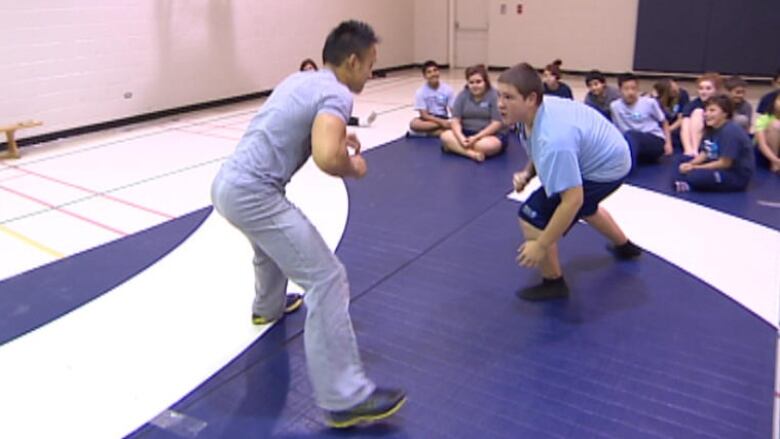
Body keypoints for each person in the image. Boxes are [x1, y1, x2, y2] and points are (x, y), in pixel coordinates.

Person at [211, 20, 405, 428]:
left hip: (228, 184)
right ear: (351, 61)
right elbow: (325, 157)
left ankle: (267, 309)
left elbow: (304, 126)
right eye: (370, 63)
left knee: (269, 246)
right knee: (327, 278)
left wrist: (341, 135)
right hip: (254, 192)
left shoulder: (301, 81)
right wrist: (352, 165)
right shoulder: (337, 93)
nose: (372, 72)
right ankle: (345, 397)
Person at [497, 63, 641, 302]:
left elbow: (572, 200)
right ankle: (626, 247)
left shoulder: (554, 139)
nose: (500, 104)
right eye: (499, 95)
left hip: (606, 168)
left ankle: (553, 282)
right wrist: (527, 173)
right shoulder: (532, 113)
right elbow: (537, 149)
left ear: (531, 98)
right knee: (588, 207)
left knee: (532, 217)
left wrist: (541, 245)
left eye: (509, 97)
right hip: (610, 154)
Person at [674, 95, 755, 191]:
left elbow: (725, 163)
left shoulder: (730, 131)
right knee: (680, 161)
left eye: (712, 110)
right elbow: (705, 152)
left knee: (696, 176)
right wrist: (690, 163)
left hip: (734, 174)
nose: (706, 114)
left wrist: (695, 167)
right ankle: (686, 181)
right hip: (717, 165)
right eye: (706, 110)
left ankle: (689, 183)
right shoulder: (711, 128)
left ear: (725, 113)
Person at [439, 64, 506, 162]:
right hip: (466, 133)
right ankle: (471, 154)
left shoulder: (494, 95)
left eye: (478, 82)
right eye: (471, 82)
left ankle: (455, 148)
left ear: (485, 82)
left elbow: (496, 123)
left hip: (489, 136)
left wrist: (476, 137)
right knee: (445, 136)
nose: (475, 85)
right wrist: (460, 137)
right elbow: (455, 120)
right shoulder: (462, 95)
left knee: (487, 146)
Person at [610, 73, 672, 169]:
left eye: (633, 88)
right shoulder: (615, 106)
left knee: (632, 134)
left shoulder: (649, 102)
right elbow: (617, 129)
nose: (630, 92)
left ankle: (627, 169)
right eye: (626, 89)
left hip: (653, 140)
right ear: (620, 90)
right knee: (628, 137)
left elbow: (664, 122)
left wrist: (668, 144)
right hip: (631, 144)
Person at [300, 58, 377, 127]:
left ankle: (361, 121)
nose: (309, 71)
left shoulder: (320, 82)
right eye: (306, 70)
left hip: (321, 111)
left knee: (337, 113)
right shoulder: (302, 88)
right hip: (310, 116)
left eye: (310, 68)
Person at [409, 60, 455, 136]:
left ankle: (425, 133)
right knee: (413, 123)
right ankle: (440, 131)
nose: (433, 74)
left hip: (443, 117)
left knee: (456, 122)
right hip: (428, 119)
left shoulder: (448, 89)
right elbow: (424, 115)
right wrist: (441, 122)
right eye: (429, 72)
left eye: (435, 70)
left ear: (439, 72)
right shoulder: (420, 92)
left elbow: (453, 110)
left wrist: (454, 121)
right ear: (424, 76)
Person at [681, 73, 722, 157]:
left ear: (716, 90)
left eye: (708, 89)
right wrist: (687, 149)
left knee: (699, 113)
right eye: (701, 89)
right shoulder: (694, 104)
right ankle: (693, 149)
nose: (704, 92)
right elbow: (685, 124)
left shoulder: (722, 102)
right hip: (698, 138)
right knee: (695, 113)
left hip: (715, 136)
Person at [652, 78, 690, 151]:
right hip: (661, 128)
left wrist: (668, 130)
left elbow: (681, 119)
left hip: (674, 127)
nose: (676, 90)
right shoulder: (656, 101)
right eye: (672, 90)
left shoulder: (682, 95)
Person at [754, 93, 780, 172]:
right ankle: (774, 164)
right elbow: (762, 145)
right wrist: (776, 161)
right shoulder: (764, 119)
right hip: (764, 153)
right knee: (776, 124)